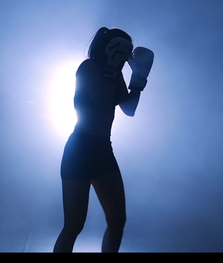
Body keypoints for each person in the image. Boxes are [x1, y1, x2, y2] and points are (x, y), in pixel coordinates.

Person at [53, 27, 154, 253]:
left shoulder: (115, 72)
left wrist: (138, 79)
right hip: (80, 149)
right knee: (73, 225)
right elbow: (101, 101)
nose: (126, 59)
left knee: (117, 220)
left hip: (102, 149)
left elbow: (129, 109)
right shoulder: (88, 68)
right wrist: (111, 67)